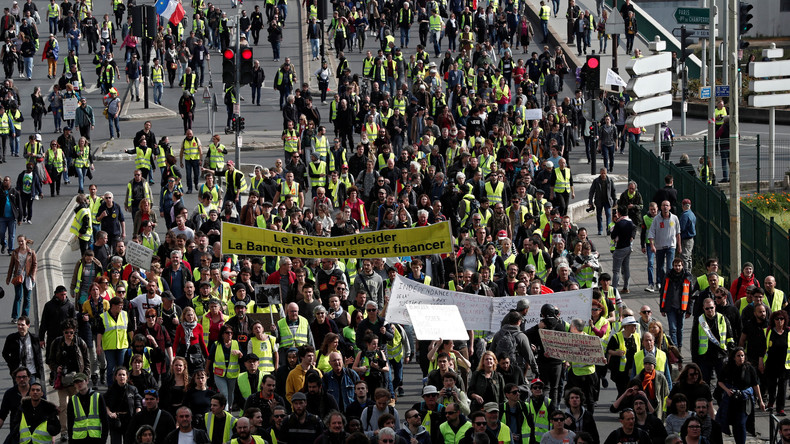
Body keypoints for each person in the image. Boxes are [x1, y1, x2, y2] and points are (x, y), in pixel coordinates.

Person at [715, 347, 764, 444]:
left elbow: (755, 385)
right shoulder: (728, 368)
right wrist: (727, 390)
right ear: (734, 357)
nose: (741, 358)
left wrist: (761, 400)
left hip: (745, 400)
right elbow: (720, 381)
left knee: (741, 423)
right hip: (732, 400)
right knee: (734, 423)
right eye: (738, 356)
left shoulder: (749, 368)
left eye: (742, 355)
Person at [691, 298, 734, 384]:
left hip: (720, 354)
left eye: (711, 308)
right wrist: (695, 359)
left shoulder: (722, 318)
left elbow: (730, 337)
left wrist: (731, 353)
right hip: (705, 356)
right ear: (703, 308)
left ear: (715, 306)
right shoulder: (699, 321)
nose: (710, 310)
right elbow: (694, 341)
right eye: (707, 308)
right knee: (704, 381)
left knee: (723, 380)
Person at [67, 372, 110, 443]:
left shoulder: (98, 397)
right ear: (74, 385)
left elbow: (105, 420)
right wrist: (70, 440)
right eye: (76, 382)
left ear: (87, 381)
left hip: (95, 438)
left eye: (81, 381)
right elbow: (70, 423)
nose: (79, 384)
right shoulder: (72, 400)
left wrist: (104, 439)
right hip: (78, 439)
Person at [648, 200, 681, 291]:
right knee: (660, 267)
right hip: (660, 246)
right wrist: (652, 245)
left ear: (670, 207)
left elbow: (678, 233)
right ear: (661, 207)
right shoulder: (656, 219)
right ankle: (663, 283)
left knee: (670, 266)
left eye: (667, 205)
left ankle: (670, 284)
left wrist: (679, 246)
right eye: (663, 205)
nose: (665, 207)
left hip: (671, 246)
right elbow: (651, 233)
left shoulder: (674, 218)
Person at [2, 315, 44, 384]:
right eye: (18, 324)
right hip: (18, 372)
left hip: (31, 372)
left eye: (22, 325)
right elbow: (5, 353)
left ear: (28, 325)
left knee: (30, 390)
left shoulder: (35, 338)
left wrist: (40, 369)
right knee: (19, 390)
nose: (20, 327)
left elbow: (38, 355)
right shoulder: (11, 338)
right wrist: (11, 365)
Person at [6, 234, 36, 323]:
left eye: (22, 241)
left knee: (27, 298)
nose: (20, 243)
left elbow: (35, 265)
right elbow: (11, 266)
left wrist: (33, 275)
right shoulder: (15, 252)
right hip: (18, 277)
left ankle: (24, 316)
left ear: (25, 241)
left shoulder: (31, 252)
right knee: (18, 296)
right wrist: (8, 278)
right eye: (19, 241)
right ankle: (15, 317)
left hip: (28, 277)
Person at [588, 168, 616, 236]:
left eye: (604, 173)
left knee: (608, 214)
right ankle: (600, 229)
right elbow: (592, 191)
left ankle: (608, 229)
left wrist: (615, 201)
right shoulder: (596, 181)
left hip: (607, 201)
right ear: (600, 173)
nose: (603, 175)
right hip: (599, 201)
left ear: (606, 173)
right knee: (599, 216)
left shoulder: (610, 181)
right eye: (602, 173)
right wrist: (590, 201)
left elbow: (613, 191)